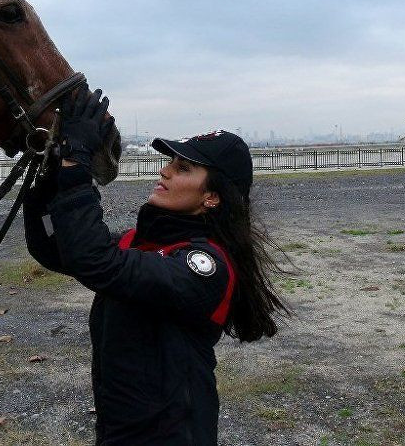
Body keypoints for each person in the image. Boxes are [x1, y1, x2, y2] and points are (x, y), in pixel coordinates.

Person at [23, 87, 290, 445]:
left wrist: (77, 165)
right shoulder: (142, 243)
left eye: (183, 168)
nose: (165, 171)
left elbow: (96, 261)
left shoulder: (207, 266)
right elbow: (56, 248)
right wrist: (49, 172)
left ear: (212, 196)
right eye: (170, 162)